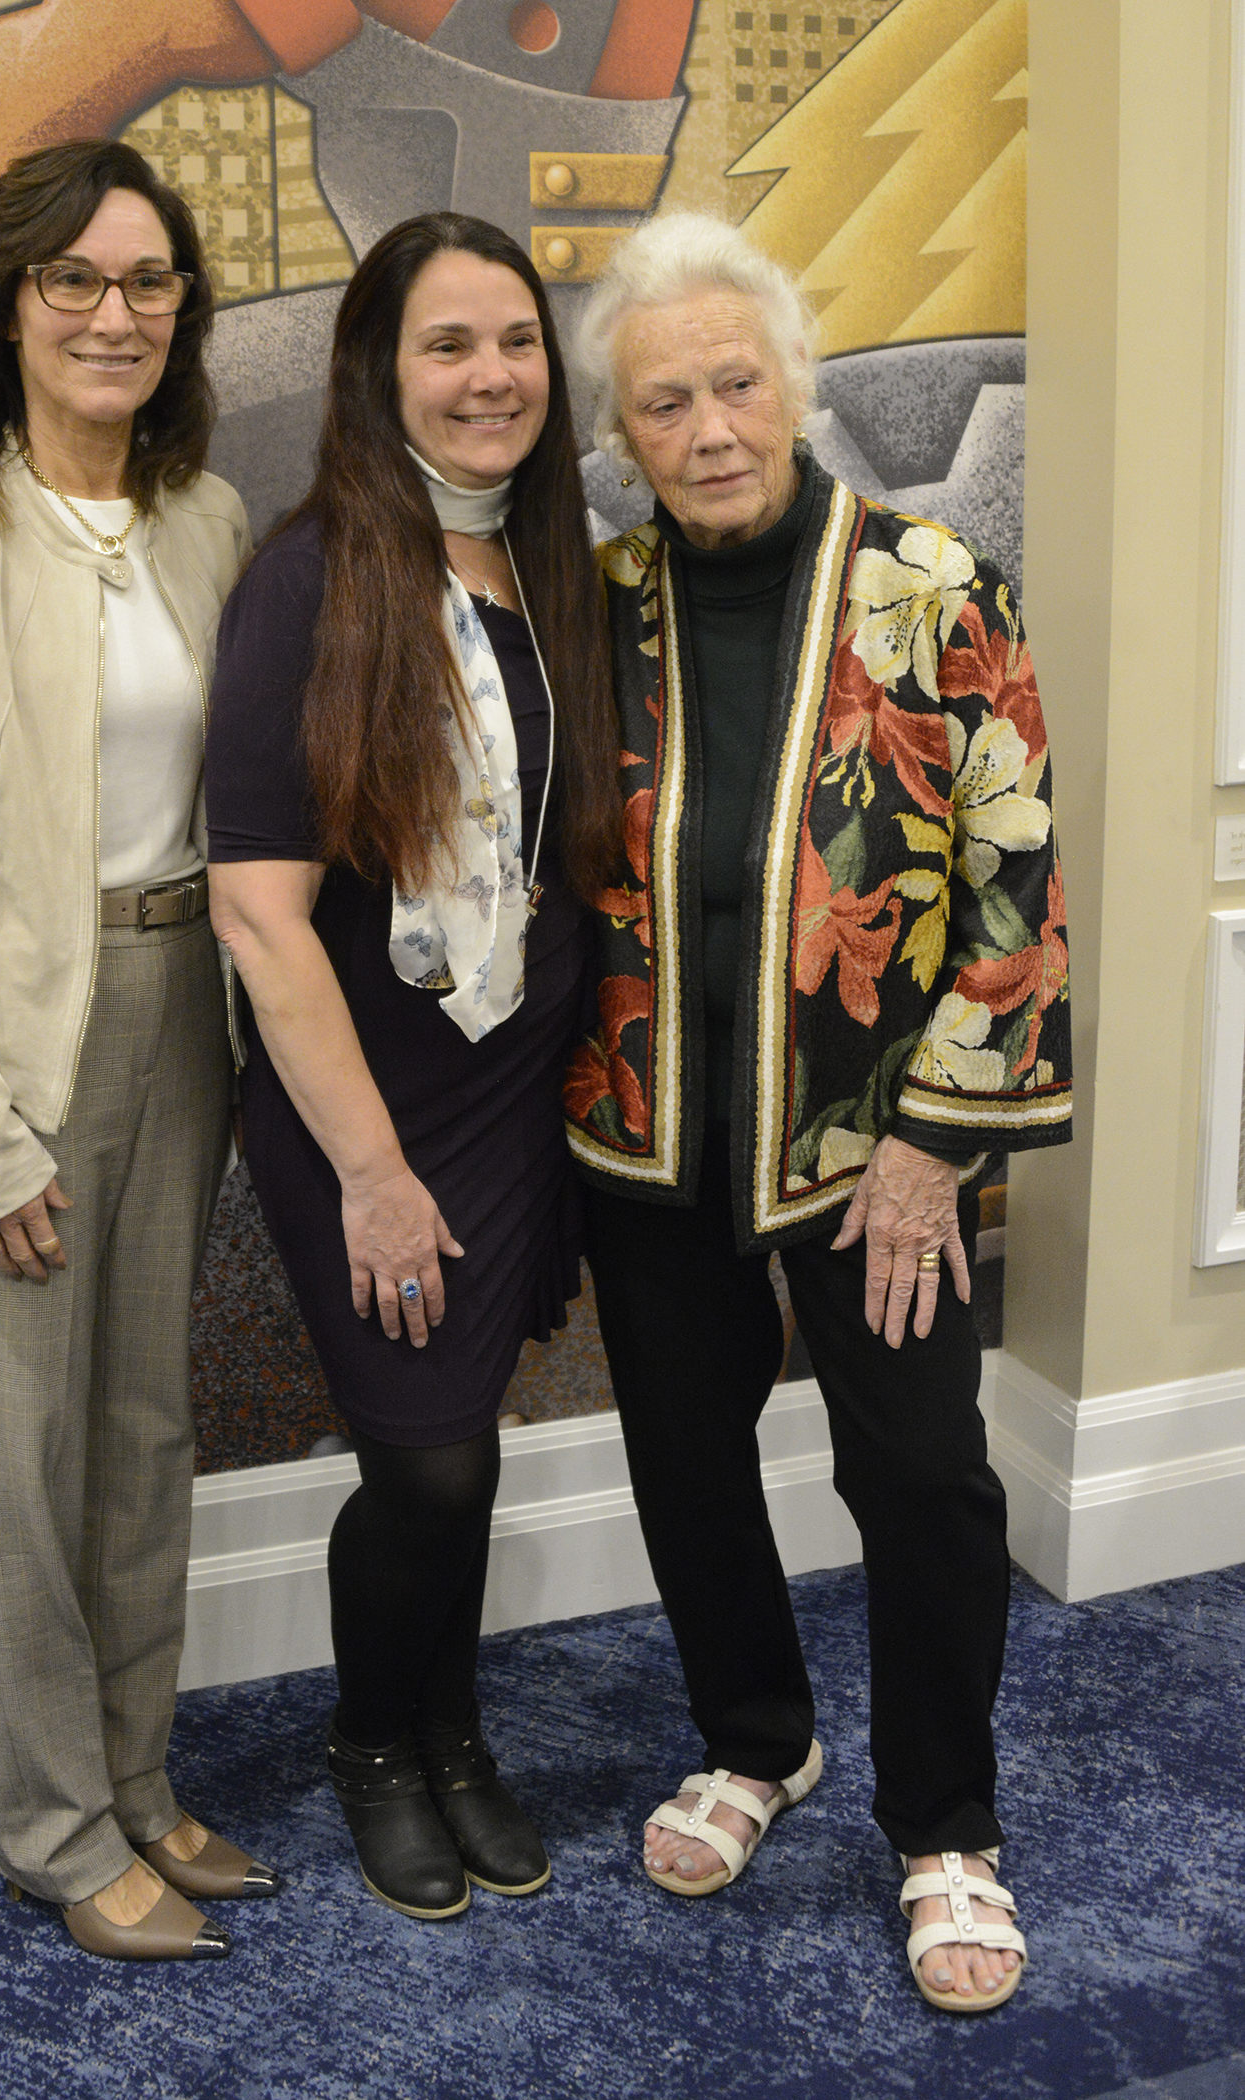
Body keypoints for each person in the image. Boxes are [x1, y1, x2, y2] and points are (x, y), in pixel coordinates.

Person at [564, 211, 1072, 2013]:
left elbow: (1014, 869)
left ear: (795, 380)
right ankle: (756, 1737)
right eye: (663, 403)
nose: (708, 426)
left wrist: (941, 1142)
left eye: (735, 382)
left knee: (920, 1474)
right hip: (647, 1131)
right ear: (623, 436)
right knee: (689, 1462)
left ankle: (948, 1830)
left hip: (879, 1143)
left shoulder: (933, 581)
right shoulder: (593, 604)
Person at [0, 139, 278, 1961]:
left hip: (190, 1006)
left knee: (142, 1421)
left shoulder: (208, 519)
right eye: (74, 282)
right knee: (18, 1450)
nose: (116, 315)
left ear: (183, 312)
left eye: (149, 282)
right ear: (8, 305)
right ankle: (49, 1822)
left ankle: (136, 1766)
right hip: (22, 1037)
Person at [206, 211, 620, 1920]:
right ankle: (376, 1742)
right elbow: (256, 916)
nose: (490, 377)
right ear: (378, 374)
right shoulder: (309, 579)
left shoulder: (559, 565)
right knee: (428, 1454)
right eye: (448, 346)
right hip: (361, 1099)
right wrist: (374, 1173)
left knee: (473, 1441)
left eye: (515, 341)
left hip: (519, 1089)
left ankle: (454, 1733)